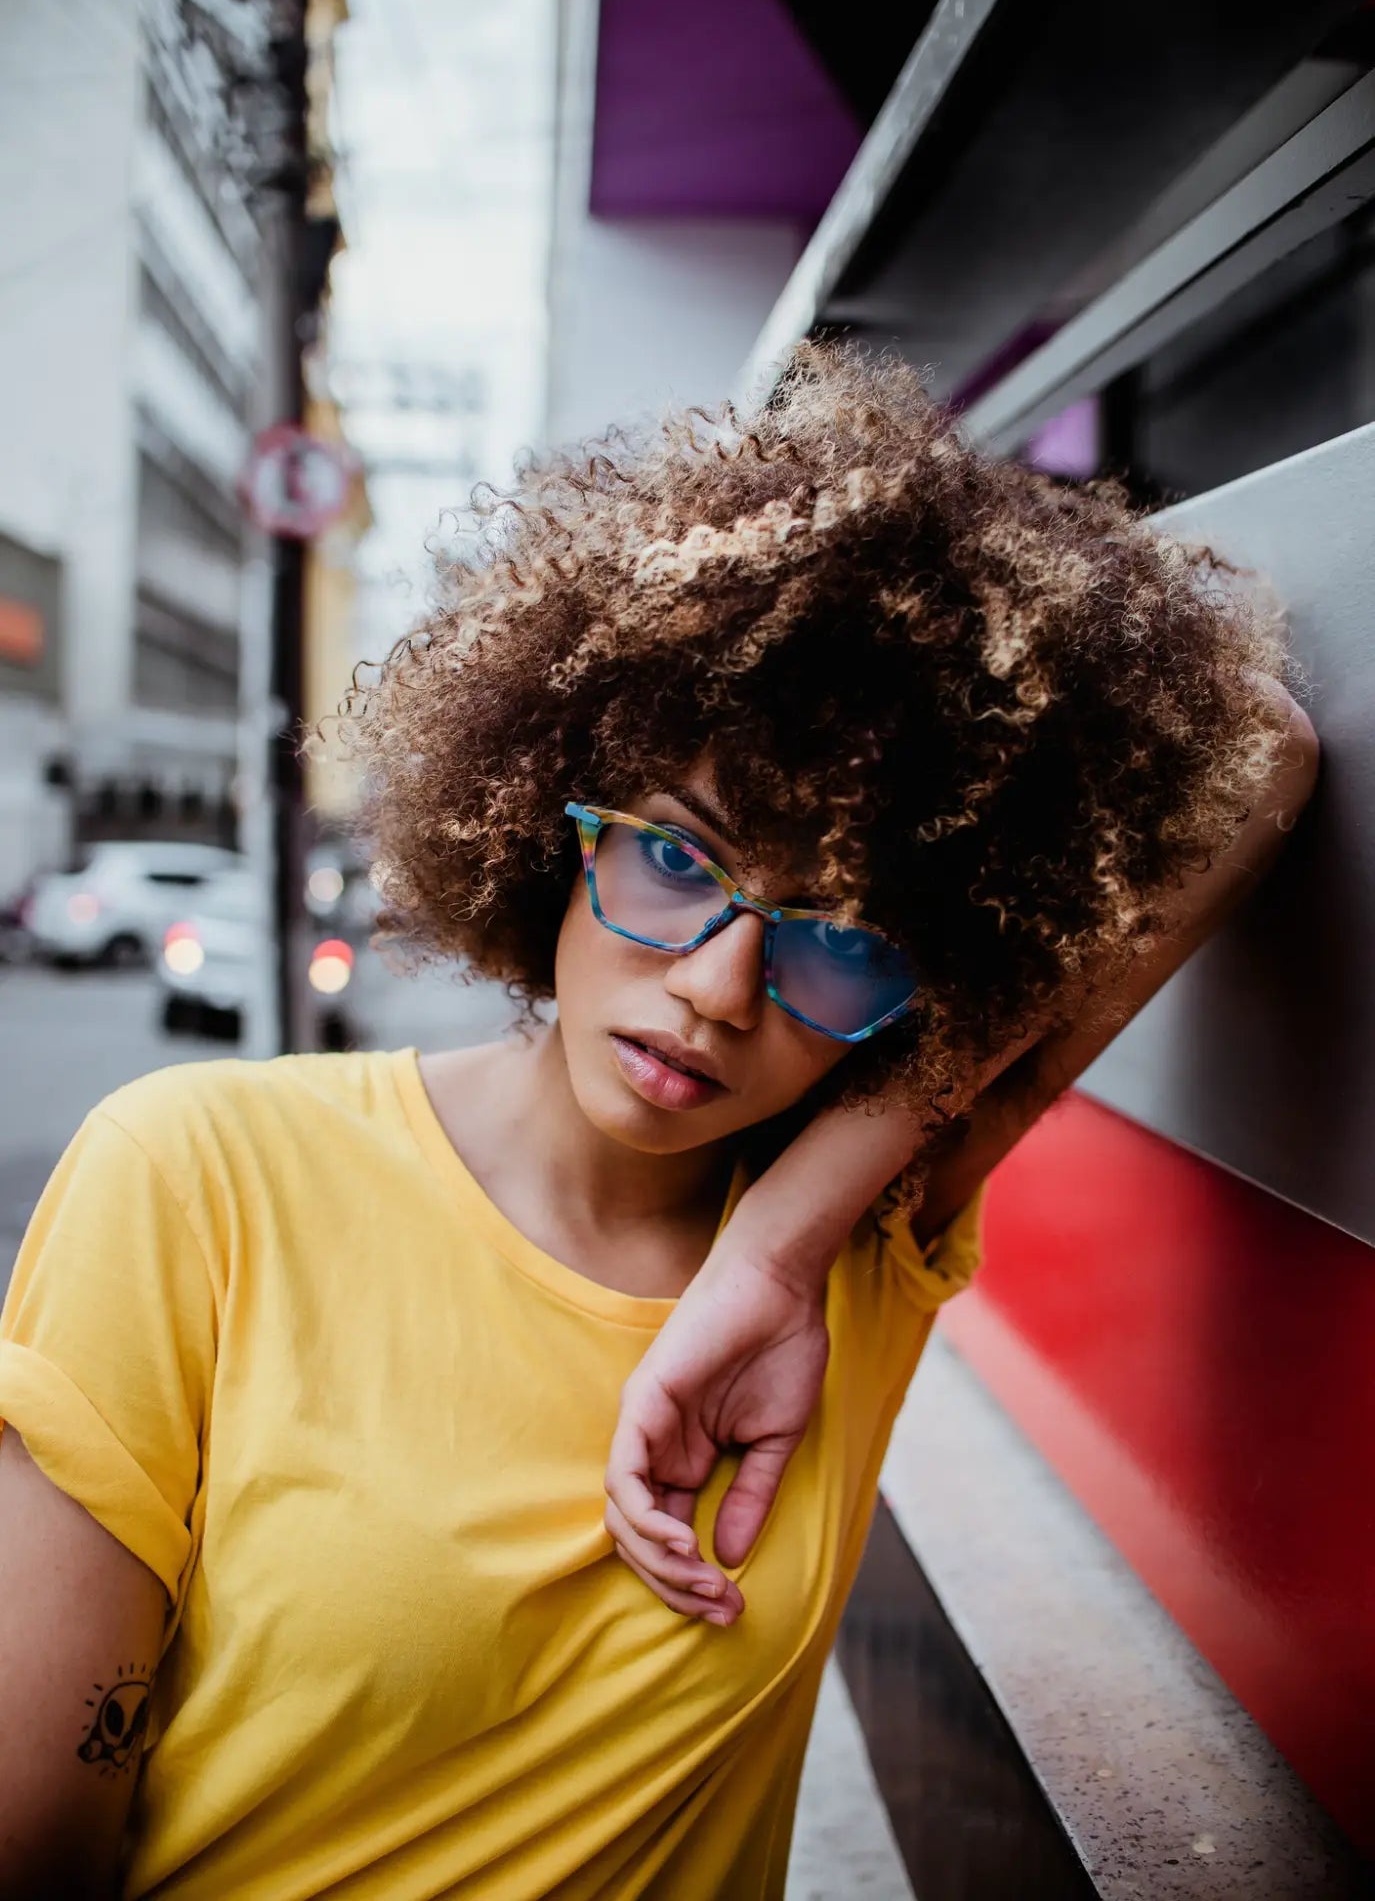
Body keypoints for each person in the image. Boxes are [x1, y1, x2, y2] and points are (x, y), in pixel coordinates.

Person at [0, 343, 1318, 1900]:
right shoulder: (198, 1172)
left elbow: (1258, 745)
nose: (715, 991)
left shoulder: (855, 1249)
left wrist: (773, 1251)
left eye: (841, 932)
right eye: (678, 862)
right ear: (545, 817)